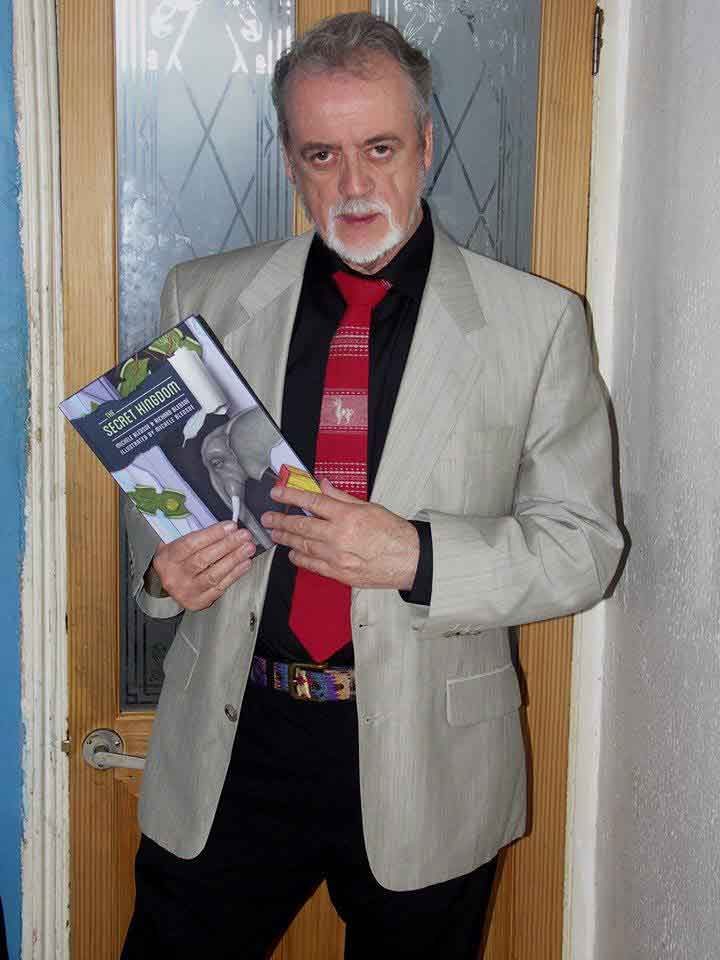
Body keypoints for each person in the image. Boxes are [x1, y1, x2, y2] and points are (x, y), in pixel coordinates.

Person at [121, 13, 623, 959]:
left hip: (430, 755)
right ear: (290, 162)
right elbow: (163, 497)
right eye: (323, 154)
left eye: (380, 148)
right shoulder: (203, 297)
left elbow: (585, 546)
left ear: (425, 145)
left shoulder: (539, 324)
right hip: (232, 741)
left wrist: (416, 555)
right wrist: (162, 577)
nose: (353, 185)